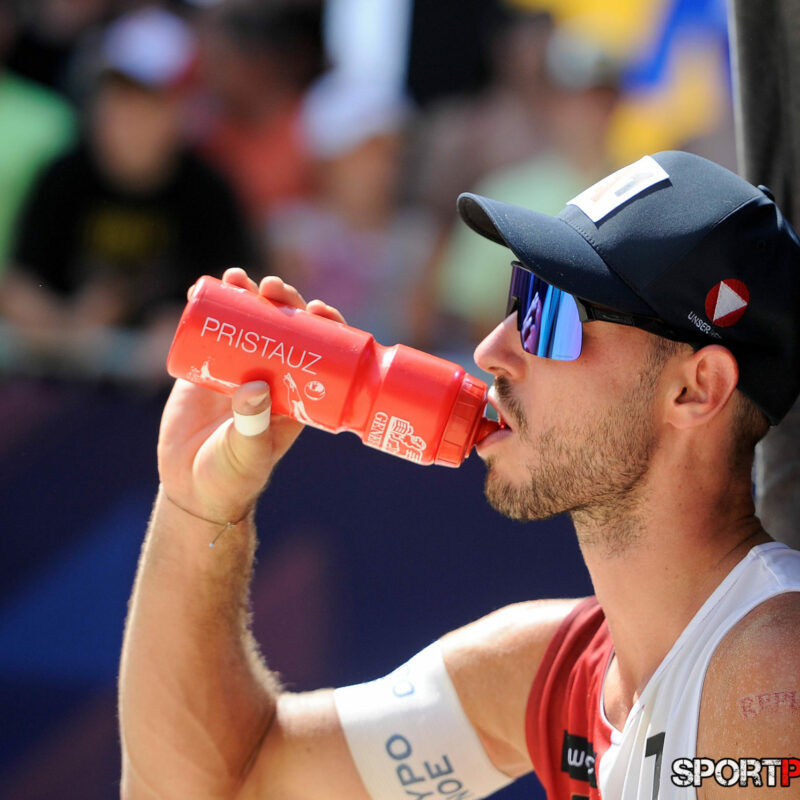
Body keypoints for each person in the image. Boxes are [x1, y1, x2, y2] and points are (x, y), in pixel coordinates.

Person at [119, 151, 800, 799]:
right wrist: (198, 507)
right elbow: (222, 783)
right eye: (519, 294)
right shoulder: (556, 668)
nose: (492, 348)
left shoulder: (775, 679)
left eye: (551, 314)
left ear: (696, 389)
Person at [0, 6, 253, 382]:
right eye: (117, 98)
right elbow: (19, 282)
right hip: (62, 389)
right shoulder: (62, 176)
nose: (128, 117)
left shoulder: (208, 188)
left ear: (180, 109)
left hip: (169, 392)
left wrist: (188, 326)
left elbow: (241, 288)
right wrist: (66, 328)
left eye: (146, 101)